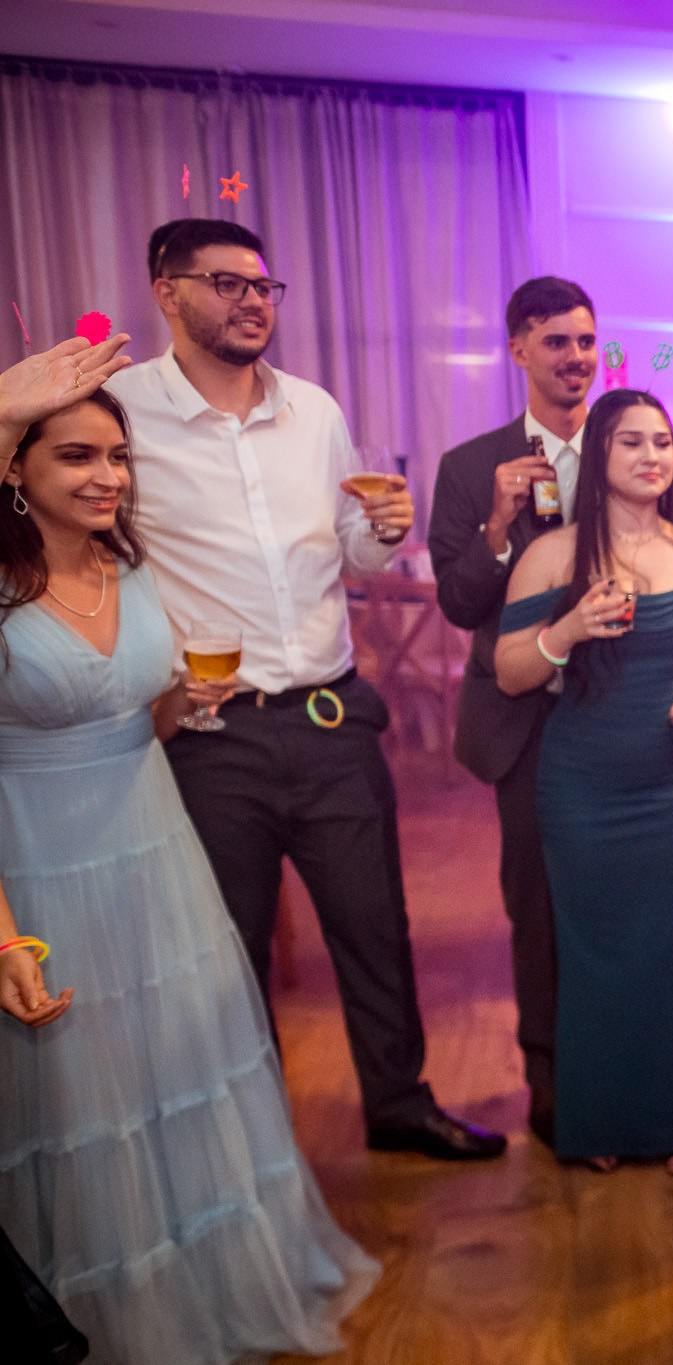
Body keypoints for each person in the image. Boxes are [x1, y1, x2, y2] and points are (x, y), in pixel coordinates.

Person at [0, 341, 378, 1362]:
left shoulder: (131, 564)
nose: (106, 477)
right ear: (14, 469)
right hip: (39, 866)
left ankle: (206, 1282)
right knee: (82, 1101)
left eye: (117, 458)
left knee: (181, 1072)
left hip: (154, 850)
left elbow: (149, 718)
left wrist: (180, 699)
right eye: (75, 456)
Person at [105, 218, 503, 1160]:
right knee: (225, 950)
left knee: (376, 928)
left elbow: (353, 550)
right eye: (226, 284)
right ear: (166, 291)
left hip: (329, 714)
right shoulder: (123, 411)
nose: (252, 302)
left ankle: (400, 1105)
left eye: (264, 287)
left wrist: (384, 528)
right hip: (209, 731)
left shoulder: (314, 411)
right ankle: (250, 1141)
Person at [494, 388, 673, 1174]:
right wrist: (564, 632)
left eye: (662, 442)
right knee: (594, 950)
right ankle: (600, 1118)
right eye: (631, 441)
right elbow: (507, 673)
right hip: (584, 785)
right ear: (598, 455)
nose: (652, 456)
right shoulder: (552, 555)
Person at [428, 274, 598, 1150]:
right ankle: (552, 1081)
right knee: (537, 906)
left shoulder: (627, 447)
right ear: (518, 349)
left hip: (616, 718)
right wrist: (496, 527)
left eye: (585, 341)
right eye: (557, 342)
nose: (576, 358)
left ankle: (625, 1072)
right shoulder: (470, 467)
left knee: (617, 902)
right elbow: (459, 604)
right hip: (526, 722)